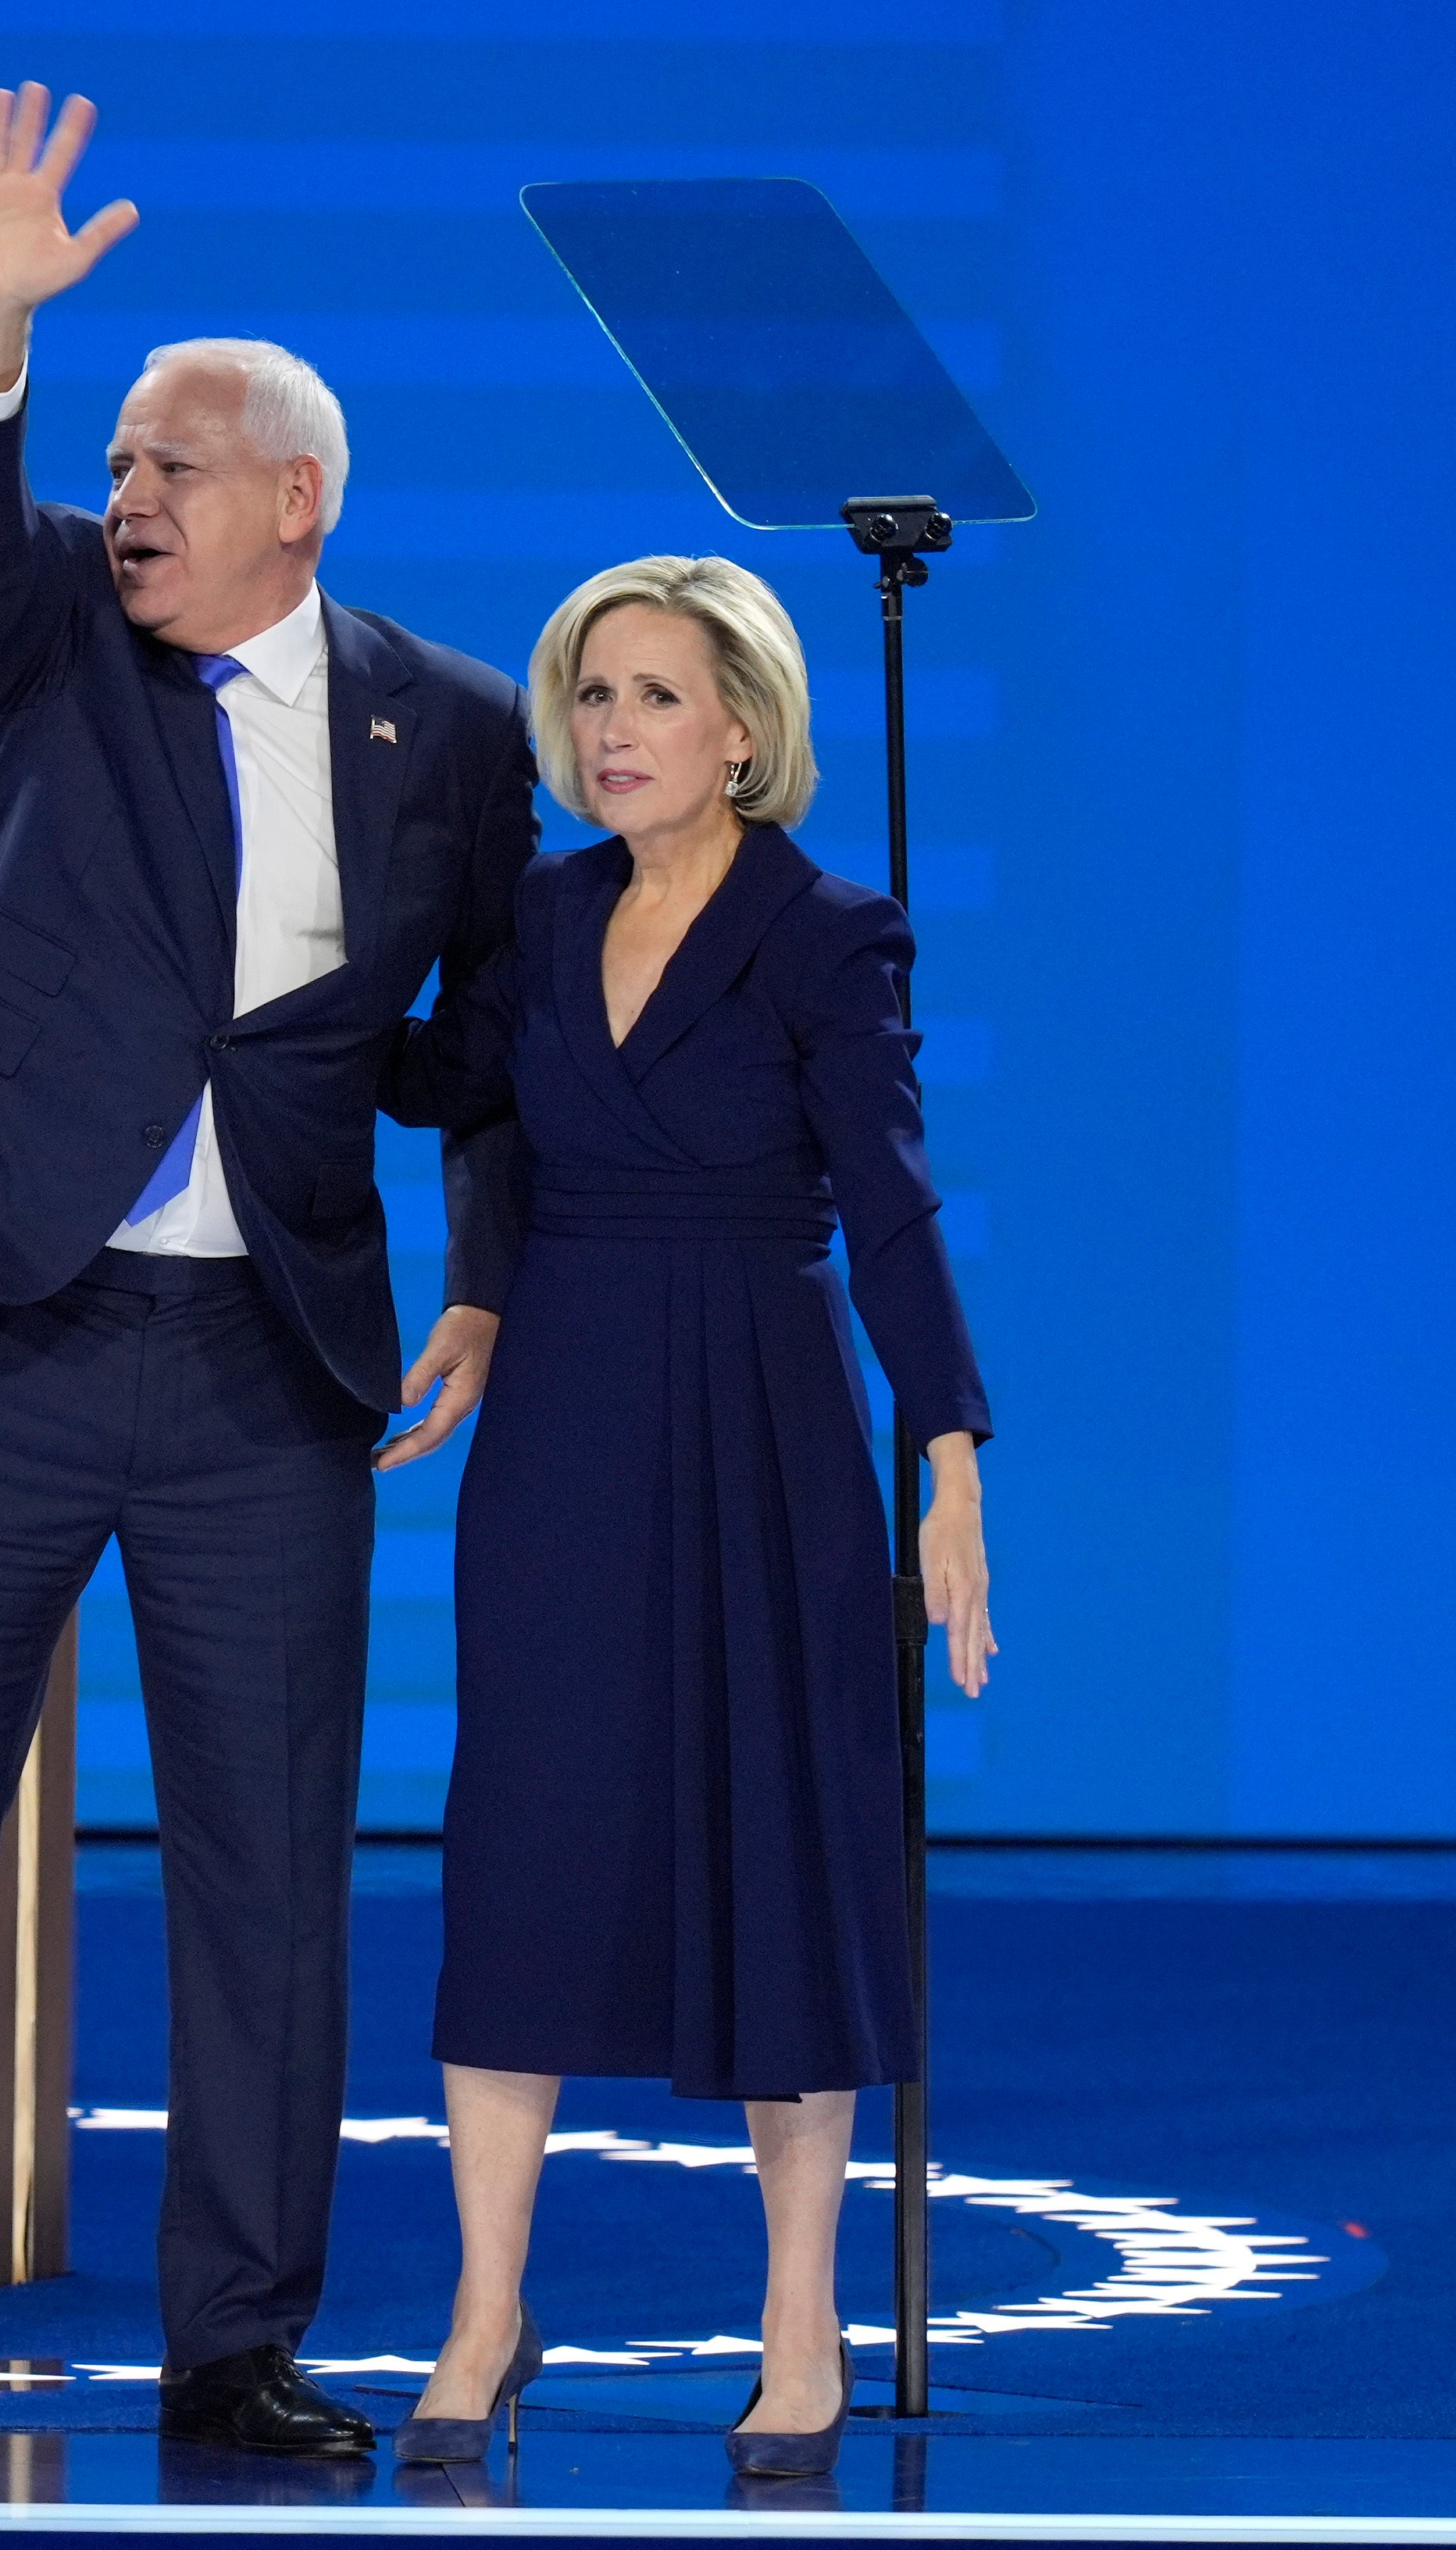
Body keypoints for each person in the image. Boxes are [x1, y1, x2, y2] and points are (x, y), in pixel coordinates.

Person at [0, 87, 533, 2459]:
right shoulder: (50, 646)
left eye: (169, 463)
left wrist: (483, 1277)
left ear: (297, 495)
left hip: (265, 1363)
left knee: (266, 1877)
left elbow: (491, 1042)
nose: (128, 498)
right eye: (112, 457)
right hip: (10, 1321)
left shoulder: (458, 732)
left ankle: (237, 2337)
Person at [382, 557, 996, 2479]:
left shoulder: (830, 931)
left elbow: (889, 1198)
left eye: (654, 697)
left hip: (766, 1415)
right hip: (564, 1417)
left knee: (780, 1852)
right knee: (528, 1846)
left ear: (744, 729)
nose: (612, 732)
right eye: (593, 699)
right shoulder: (547, 921)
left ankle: (798, 2320)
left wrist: (953, 1446)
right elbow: (429, 1085)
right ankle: (488, 2309)